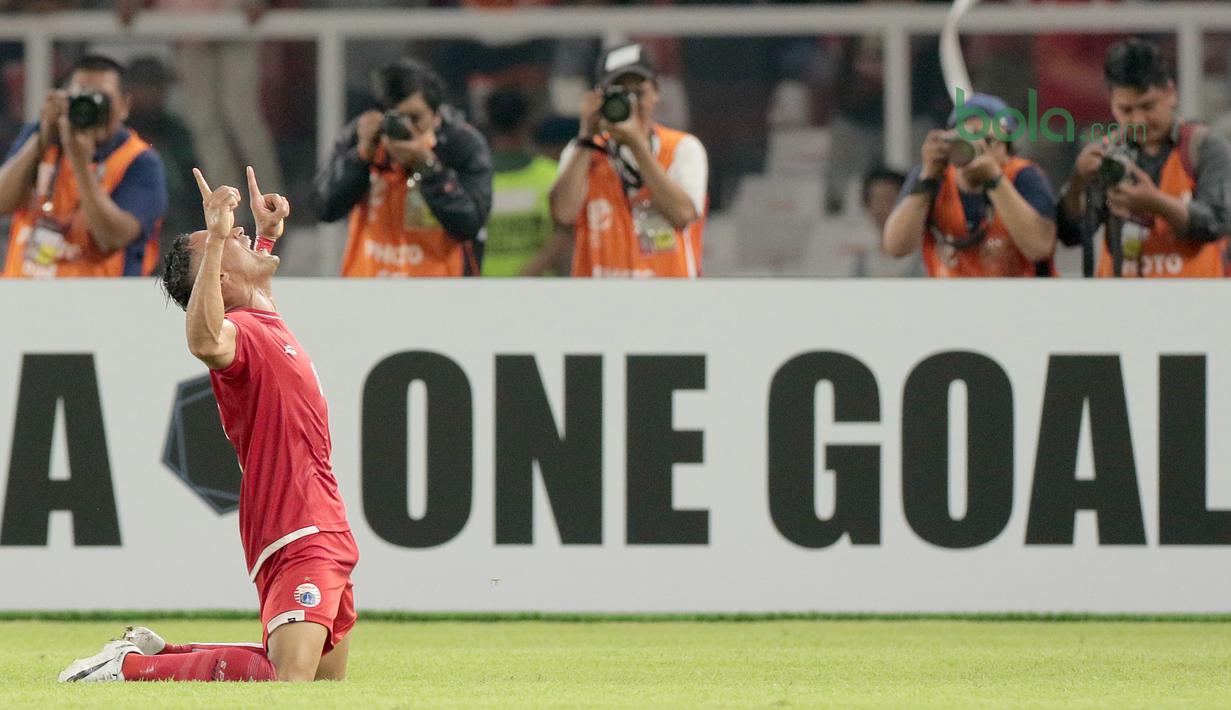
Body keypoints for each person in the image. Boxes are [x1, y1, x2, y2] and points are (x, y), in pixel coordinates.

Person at [58, 166, 357, 683]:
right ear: (220, 280)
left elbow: (252, 290)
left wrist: (262, 237)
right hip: (295, 524)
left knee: (327, 681)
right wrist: (218, 236)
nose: (234, 229)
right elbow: (204, 341)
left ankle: (161, 651)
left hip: (322, 519)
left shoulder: (263, 320)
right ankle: (130, 669)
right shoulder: (236, 332)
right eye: (227, 237)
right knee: (292, 678)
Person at [1057, 38, 1231, 278]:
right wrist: (1078, 181)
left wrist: (1155, 203)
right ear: (1111, 103)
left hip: (1193, 303)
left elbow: (1217, 223)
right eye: (1126, 110)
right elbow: (1072, 234)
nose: (1139, 120)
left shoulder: (1204, 147)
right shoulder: (1106, 155)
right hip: (1121, 305)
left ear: (1170, 93)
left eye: (1148, 106)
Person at [313, 57, 493, 277]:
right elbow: (324, 208)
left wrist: (427, 167)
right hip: (368, 289)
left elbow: (469, 224)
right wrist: (361, 156)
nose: (406, 127)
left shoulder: (460, 144)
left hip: (441, 294)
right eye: (396, 117)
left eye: (415, 117)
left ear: (436, 116)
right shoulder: (363, 138)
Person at [0, 54, 168, 277]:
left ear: (124, 105)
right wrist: (43, 136)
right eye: (81, 98)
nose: (90, 108)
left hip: (99, 303)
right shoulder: (41, 137)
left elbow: (112, 238)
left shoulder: (140, 161)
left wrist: (80, 163)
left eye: (102, 99)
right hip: (25, 296)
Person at [549, 43, 708, 278]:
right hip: (599, 300)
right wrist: (586, 137)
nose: (630, 102)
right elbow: (562, 215)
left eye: (638, 93)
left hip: (669, 300)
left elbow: (683, 215)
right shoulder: (583, 150)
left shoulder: (682, 148)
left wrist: (637, 145)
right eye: (619, 93)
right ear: (598, 97)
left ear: (656, 92)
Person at [882, 93, 1057, 277]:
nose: (978, 149)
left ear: (1007, 148)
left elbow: (1039, 248)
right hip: (952, 299)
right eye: (966, 140)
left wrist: (995, 181)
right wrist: (926, 180)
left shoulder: (1024, 176)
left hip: (1017, 298)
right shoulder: (933, 177)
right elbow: (896, 247)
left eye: (988, 142)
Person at [123, 55, 203, 266]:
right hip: (127, 213)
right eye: (144, 86)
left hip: (174, 216)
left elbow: (192, 178)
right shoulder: (118, 131)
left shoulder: (175, 130)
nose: (151, 94)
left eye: (156, 86)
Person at [482, 86, 569, 276]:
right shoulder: (551, 175)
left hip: (484, 290)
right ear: (528, 122)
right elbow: (564, 234)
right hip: (539, 293)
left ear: (486, 122)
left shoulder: (472, 178)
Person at [850, 167, 922, 277]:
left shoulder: (924, 259)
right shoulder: (863, 262)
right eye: (876, 200)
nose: (881, 208)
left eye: (888, 199)